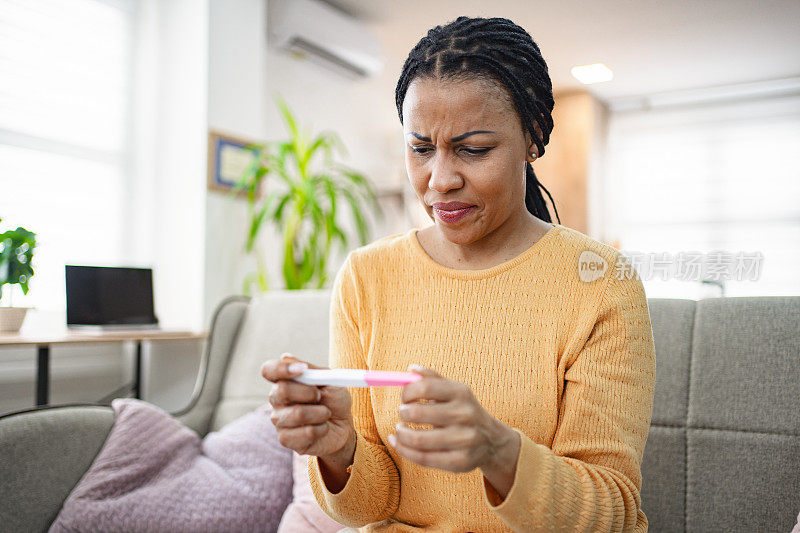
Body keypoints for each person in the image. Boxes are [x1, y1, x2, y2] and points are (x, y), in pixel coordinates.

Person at [262, 15, 656, 532]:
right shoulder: (367, 276)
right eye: (420, 148)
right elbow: (367, 508)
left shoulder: (600, 284)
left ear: (533, 137)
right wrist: (341, 451)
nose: (440, 180)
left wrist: (499, 451)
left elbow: (615, 515)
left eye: (473, 149)